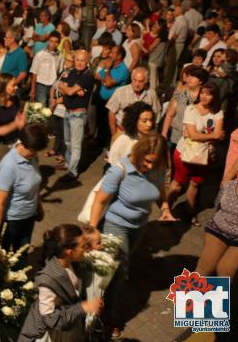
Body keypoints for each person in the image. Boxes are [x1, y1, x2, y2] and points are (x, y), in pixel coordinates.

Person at [89, 134, 176, 337]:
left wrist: (164, 206)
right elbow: (100, 200)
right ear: (139, 154)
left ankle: (99, 300)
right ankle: (106, 318)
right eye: (146, 161)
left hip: (139, 226)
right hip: (115, 224)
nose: (149, 166)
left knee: (116, 270)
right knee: (119, 271)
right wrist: (93, 230)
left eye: (154, 162)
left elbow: (159, 188)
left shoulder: (157, 168)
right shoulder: (120, 170)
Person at [18, 224, 102, 342]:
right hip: (52, 335)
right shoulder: (48, 281)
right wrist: (82, 308)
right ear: (70, 252)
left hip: (68, 328)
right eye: (83, 246)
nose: (86, 249)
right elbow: (50, 319)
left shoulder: (71, 263)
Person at [168, 82, 225, 227]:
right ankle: (166, 210)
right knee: (177, 184)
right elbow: (194, 135)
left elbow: (218, 135)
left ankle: (190, 212)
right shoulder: (191, 109)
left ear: (214, 96)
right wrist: (214, 135)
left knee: (194, 184)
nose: (204, 96)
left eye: (209, 94)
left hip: (205, 157)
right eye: (202, 92)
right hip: (184, 154)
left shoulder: (218, 112)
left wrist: (200, 135)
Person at [0, 124, 47, 262]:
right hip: (11, 221)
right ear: (21, 144)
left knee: (21, 255)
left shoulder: (32, 156)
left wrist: (39, 207)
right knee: (2, 258)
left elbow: (35, 185)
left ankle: (17, 281)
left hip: (29, 217)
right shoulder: (9, 166)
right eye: (33, 151)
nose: (35, 154)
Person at [196, 160, 238, 278]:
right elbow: (218, 205)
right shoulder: (230, 185)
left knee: (225, 271)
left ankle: (216, 296)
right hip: (218, 228)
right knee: (206, 266)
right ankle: (190, 296)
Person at [58, 50, 95, 182]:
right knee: (67, 142)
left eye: (82, 60)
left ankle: (72, 172)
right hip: (67, 111)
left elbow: (68, 90)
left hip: (78, 114)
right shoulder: (72, 71)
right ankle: (68, 164)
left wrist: (69, 88)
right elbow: (59, 86)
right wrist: (69, 89)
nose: (79, 62)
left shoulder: (88, 76)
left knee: (75, 145)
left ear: (87, 62)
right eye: (77, 59)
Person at [162, 65, 208, 153]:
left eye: (193, 76)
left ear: (201, 81)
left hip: (193, 137)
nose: (189, 78)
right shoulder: (181, 93)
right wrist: (164, 134)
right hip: (175, 133)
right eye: (189, 76)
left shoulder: (204, 98)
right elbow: (170, 114)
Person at [106, 67, 161, 138]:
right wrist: (114, 133)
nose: (137, 84)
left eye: (140, 81)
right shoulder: (120, 92)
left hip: (143, 135)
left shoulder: (151, 94)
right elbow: (111, 113)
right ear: (131, 79)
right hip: (122, 132)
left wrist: (152, 133)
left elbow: (156, 114)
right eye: (135, 80)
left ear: (146, 81)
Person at [107, 102, 155, 166]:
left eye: (151, 120)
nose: (149, 124)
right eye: (144, 121)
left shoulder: (152, 140)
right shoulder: (123, 140)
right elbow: (113, 165)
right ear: (134, 120)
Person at [0, 73, 25, 145]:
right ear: (3, 87)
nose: (16, 87)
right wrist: (15, 124)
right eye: (13, 85)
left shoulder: (15, 99)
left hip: (14, 141)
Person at [29, 31, 61, 106]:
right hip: (41, 86)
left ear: (59, 43)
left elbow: (59, 72)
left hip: (53, 86)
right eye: (51, 41)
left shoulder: (60, 56)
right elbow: (34, 73)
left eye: (56, 42)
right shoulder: (40, 55)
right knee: (41, 108)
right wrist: (33, 89)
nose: (53, 44)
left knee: (50, 109)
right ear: (48, 41)